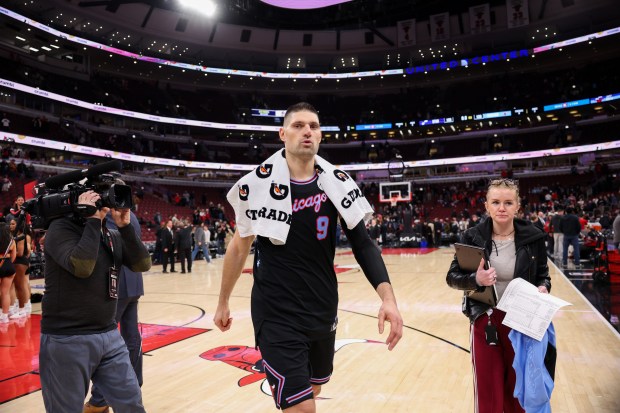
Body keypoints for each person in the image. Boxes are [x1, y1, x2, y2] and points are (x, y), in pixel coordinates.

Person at [214, 102, 403, 412]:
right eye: (299, 125)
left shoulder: (338, 183)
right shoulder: (258, 185)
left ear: (320, 136)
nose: (307, 131)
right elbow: (239, 246)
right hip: (276, 314)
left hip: (322, 310)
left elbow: (363, 244)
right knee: (303, 407)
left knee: (312, 390)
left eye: (313, 126)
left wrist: (389, 299)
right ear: (282, 133)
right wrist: (223, 300)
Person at [39, 190, 151, 412]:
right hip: (68, 338)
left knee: (132, 404)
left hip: (109, 335)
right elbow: (82, 266)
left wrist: (125, 227)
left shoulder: (110, 234)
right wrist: (92, 221)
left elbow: (142, 264)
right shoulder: (59, 230)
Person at [446, 178, 551, 413]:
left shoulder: (534, 237)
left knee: (518, 392)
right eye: (495, 202)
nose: (501, 208)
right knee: (489, 392)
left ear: (517, 205)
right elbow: (452, 277)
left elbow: (544, 276)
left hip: (522, 323)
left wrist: (543, 288)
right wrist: (476, 279)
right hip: (486, 320)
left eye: (508, 202)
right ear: (486, 206)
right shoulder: (471, 237)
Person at [84, 209, 145, 413]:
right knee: (132, 339)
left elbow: (105, 249)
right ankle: (134, 386)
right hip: (133, 282)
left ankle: (99, 400)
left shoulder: (108, 215)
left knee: (106, 344)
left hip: (116, 283)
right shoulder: (131, 215)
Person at [8, 217, 32, 319]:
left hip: (20, 262)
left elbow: (20, 252)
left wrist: (9, 253)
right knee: (17, 286)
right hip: (16, 262)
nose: (11, 226)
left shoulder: (21, 236)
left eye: (13, 224)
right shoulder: (13, 236)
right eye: (10, 224)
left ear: (18, 225)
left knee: (20, 286)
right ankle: (21, 308)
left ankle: (22, 310)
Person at [0, 222, 16, 323]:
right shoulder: (12, 241)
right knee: (5, 293)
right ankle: (5, 317)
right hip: (8, 265)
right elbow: (13, 257)